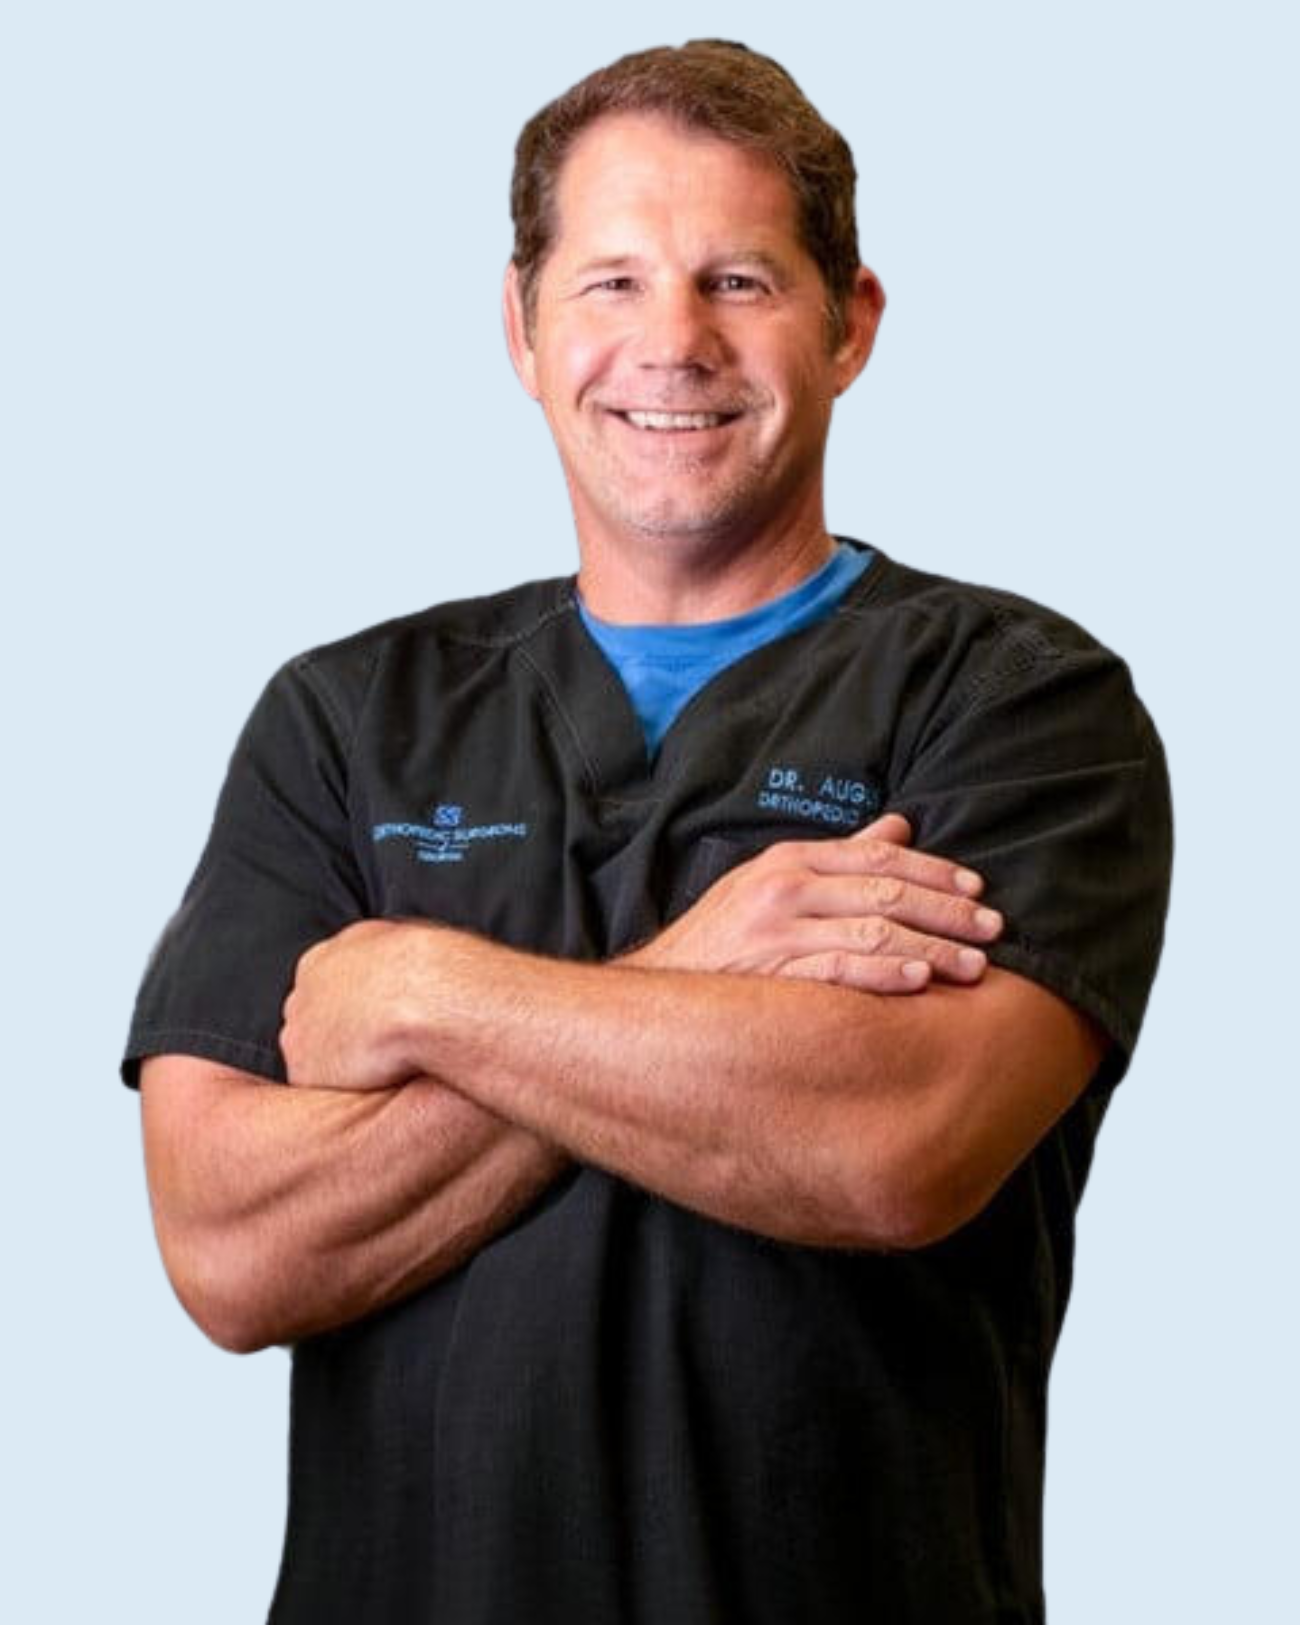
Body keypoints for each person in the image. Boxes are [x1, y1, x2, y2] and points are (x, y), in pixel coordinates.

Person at [124, 39, 1171, 1625]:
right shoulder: (345, 720)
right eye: (611, 282)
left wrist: (414, 990)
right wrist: (710, 962)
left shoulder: (1017, 705)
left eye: (738, 281)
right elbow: (231, 1249)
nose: (672, 342)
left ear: (850, 323)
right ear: (522, 327)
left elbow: (894, 1144)